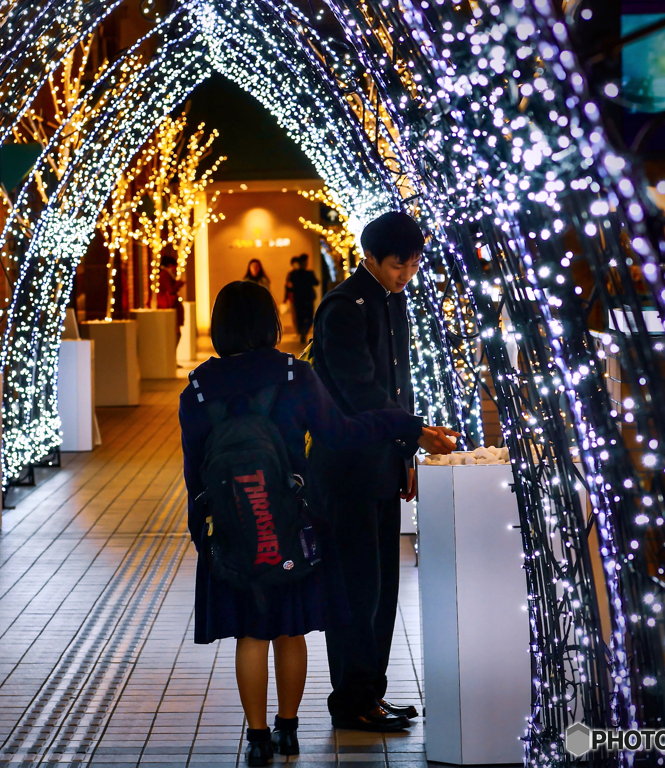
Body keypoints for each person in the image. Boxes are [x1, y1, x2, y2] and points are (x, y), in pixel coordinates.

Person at [180, 281, 456, 766]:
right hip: (291, 524)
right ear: (270, 322)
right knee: (290, 631)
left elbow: (194, 471)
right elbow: (343, 433)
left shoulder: (198, 389)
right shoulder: (294, 374)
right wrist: (408, 426)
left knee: (250, 634)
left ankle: (258, 738)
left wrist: (204, 537)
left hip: (234, 529)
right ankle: (289, 730)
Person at [308, 210, 438, 732]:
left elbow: (397, 387)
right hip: (346, 472)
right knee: (355, 589)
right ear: (371, 257)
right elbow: (360, 390)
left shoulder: (393, 301)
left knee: (382, 589)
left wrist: (405, 455)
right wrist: (415, 432)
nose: (406, 274)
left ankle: (370, 694)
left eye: (412, 264)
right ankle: (352, 699)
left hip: (381, 464)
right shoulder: (343, 307)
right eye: (397, 264)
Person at [285, 253, 320, 344]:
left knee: (299, 316)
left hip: (298, 298)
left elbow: (288, 287)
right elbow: (316, 282)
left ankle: (302, 331)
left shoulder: (293, 274)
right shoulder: (309, 273)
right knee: (309, 315)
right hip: (308, 298)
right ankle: (304, 330)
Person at [156, 253, 186, 344]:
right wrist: (179, 283)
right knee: (174, 333)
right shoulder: (165, 275)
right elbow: (171, 290)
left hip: (170, 305)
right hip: (169, 305)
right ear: (170, 265)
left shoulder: (165, 274)